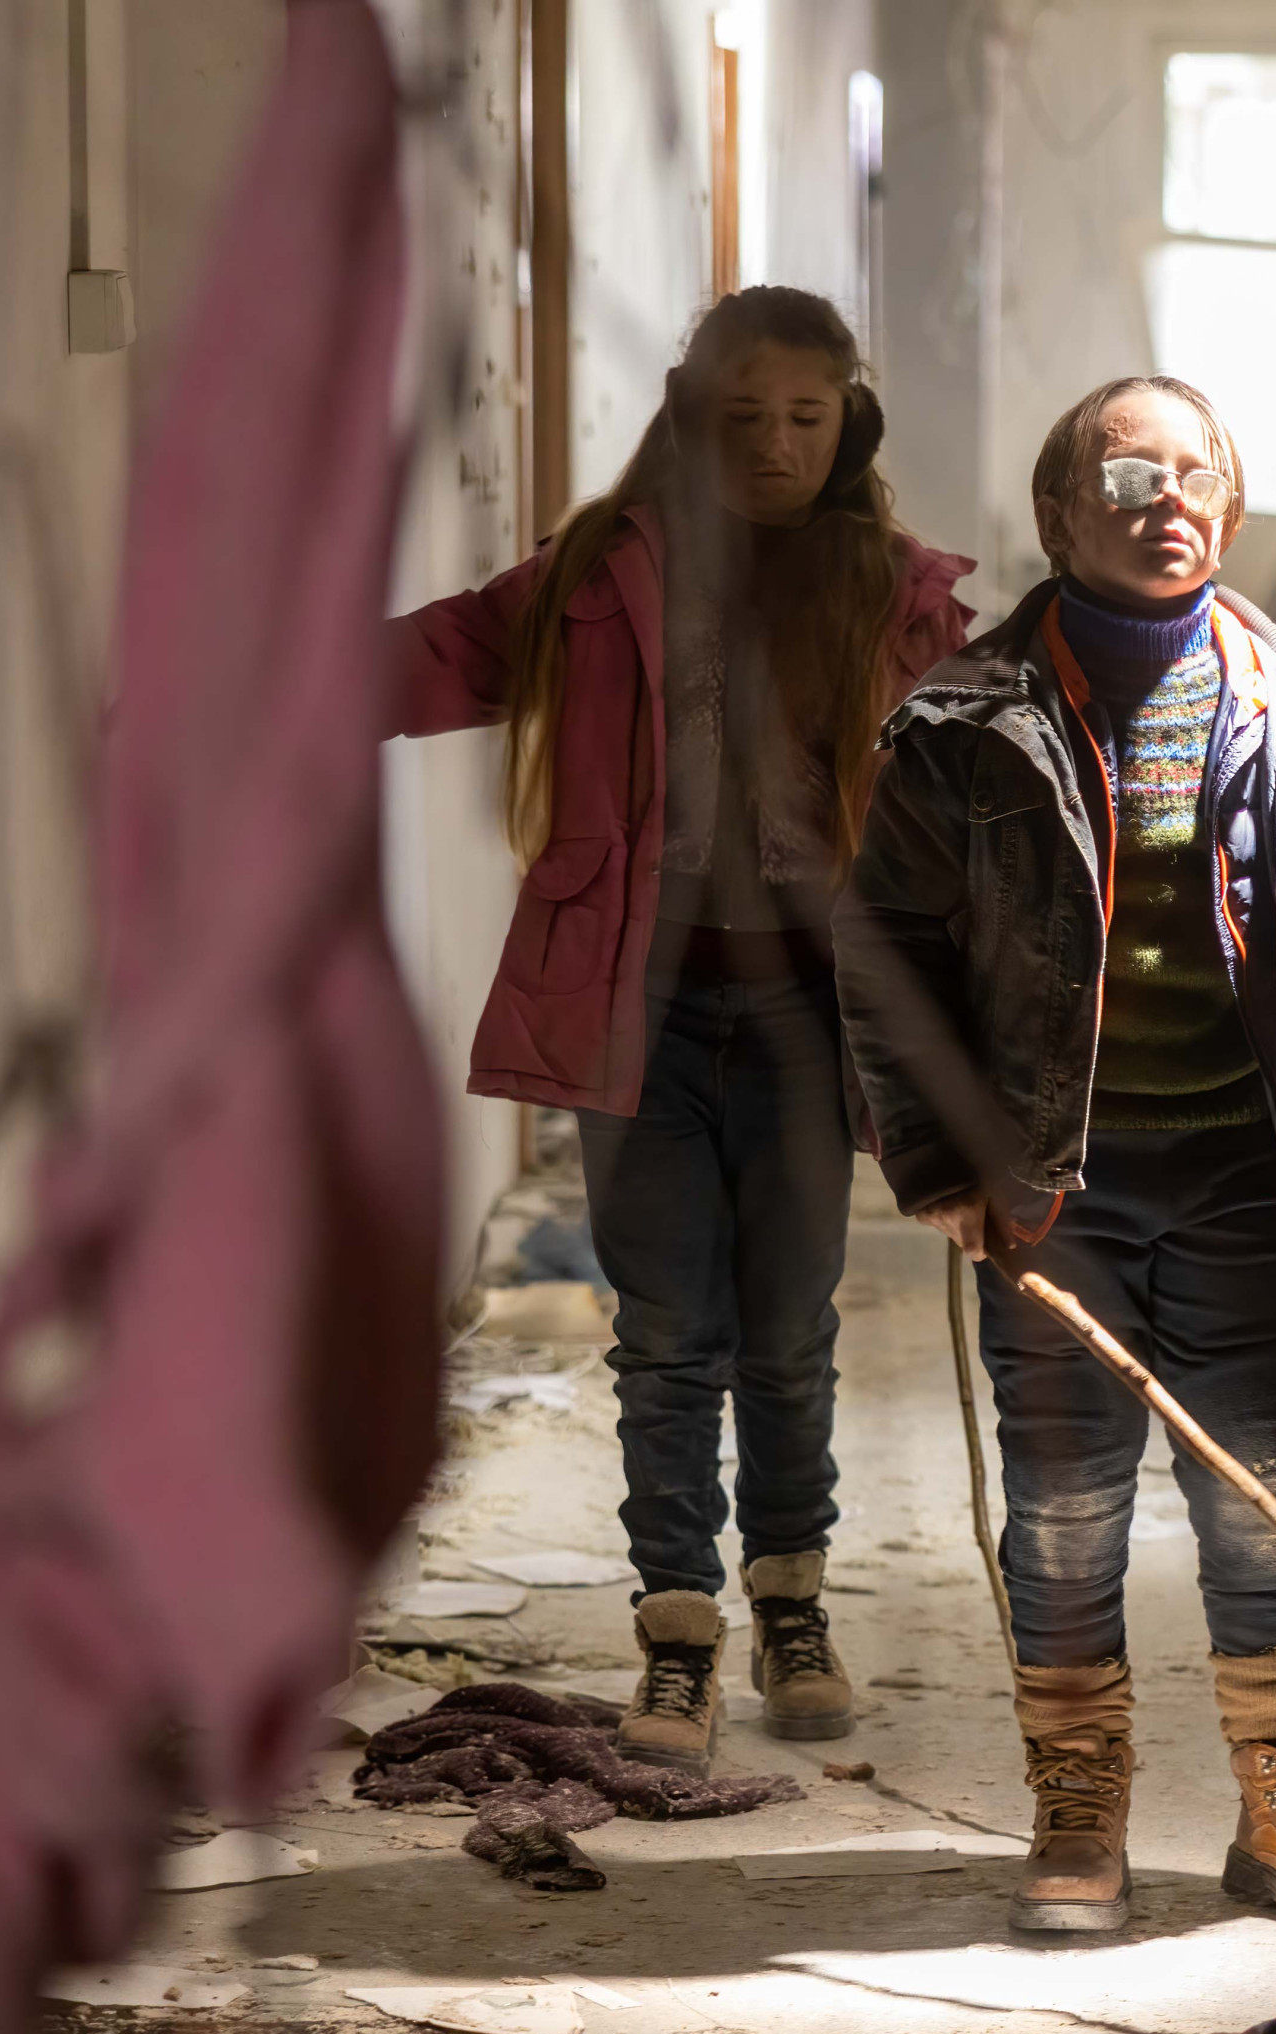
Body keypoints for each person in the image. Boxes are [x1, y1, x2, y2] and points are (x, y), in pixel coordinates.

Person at [834, 374, 1276, 1935]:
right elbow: (885, 953)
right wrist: (938, 1159)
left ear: (1231, 508)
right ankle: (1079, 1806)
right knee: (1066, 1503)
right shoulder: (967, 725)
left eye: (1196, 476)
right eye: (1128, 478)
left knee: (1264, 1482)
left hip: (1239, 1170)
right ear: (1060, 517)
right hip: (1052, 1182)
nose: (1166, 502)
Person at [385, 288, 972, 1776]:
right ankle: (678, 1628)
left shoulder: (896, 592)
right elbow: (444, 653)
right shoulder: (604, 573)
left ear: (848, 424)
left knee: (788, 1327)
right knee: (665, 1334)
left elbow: (981, 781)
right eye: (743, 414)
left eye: (806, 416)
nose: (774, 443)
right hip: (630, 1003)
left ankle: (793, 1604)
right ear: (688, 412)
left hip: (808, 1015)